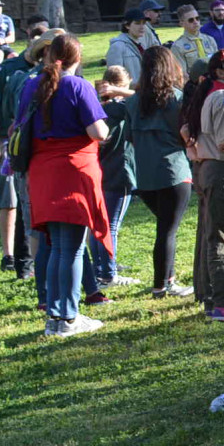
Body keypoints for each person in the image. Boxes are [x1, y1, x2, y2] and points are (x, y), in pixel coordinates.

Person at [16, 33, 112, 337]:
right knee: (70, 248)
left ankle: (56, 316)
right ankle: (68, 317)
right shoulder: (78, 86)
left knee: (57, 245)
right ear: (77, 58)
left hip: (42, 172)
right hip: (73, 171)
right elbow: (98, 131)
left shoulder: (31, 85)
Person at [0, 20, 53, 275]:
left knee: (32, 198)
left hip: (37, 142)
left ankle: (33, 257)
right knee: (10, 198)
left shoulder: (53, 70)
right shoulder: (8, 69)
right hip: (8, 139)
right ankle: (9, 254)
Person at [184, 47, 224, 321]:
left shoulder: (210, 93)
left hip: (208, 167)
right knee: (220, 234)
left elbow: (187, 130)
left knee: (212, 231)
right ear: (221, 71)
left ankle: (209, 293)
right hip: (222, 168)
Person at [130, 45, 194, 299]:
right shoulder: (175, 99)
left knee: (165, 228)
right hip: (172, 172)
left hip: (144, 176)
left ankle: (167, 279)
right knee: (167, 230)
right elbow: (184, 135)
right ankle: (162, 285)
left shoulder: (133, 102)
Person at [90, 65, 139, 296]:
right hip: (120, 173)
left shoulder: (97, 109)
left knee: (98, 225)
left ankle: (99, 268)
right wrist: (121, 92)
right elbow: (143, 98)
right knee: (111, 226)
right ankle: (109, 274)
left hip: (99, 173)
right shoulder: (120, 108)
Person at [105, 12, 153, 85]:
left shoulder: (142, 45)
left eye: (143, 23)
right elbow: (114, 78)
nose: (142, 26)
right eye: (137, 23)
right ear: (127, 25)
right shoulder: (117, 47)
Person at [170, 4, 217, 79]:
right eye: (191, 20)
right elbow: (182, 74)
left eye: (197, 18)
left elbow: (217, 64)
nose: (195, 22)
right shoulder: (178, 46)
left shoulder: (210, 40)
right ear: (182, 23)